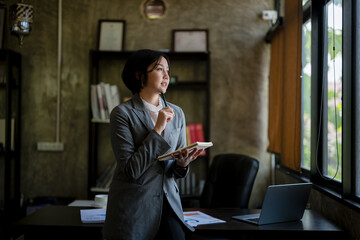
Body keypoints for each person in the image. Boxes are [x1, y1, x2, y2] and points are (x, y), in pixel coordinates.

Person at [102, 49, 203, 240]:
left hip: (170, 205)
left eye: (168, 70)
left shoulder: (178, 113)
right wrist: (157, 129)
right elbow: (131, 170)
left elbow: (173, 168)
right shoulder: (122, 114)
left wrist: (182, 165)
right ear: (139, 75)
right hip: (135, 207)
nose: (166, 75)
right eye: (159, 69)